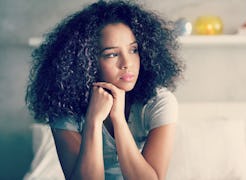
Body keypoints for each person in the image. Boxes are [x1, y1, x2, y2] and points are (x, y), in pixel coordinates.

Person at [25, 0, 183, 179]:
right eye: (112, 54)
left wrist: (118, 119)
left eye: (133, 50)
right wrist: (93, 119)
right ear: (87, 62)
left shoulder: (159, 102)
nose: (127, 63)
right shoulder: (64, 107)